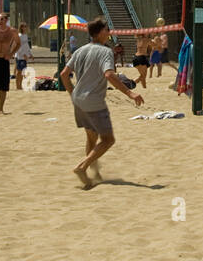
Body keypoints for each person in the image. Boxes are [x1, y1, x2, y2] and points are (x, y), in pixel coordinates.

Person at [59, 17, 144, 189]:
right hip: (94, 101)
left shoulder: (80, 50)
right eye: (106, 30)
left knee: (91, 137)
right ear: (98, 33)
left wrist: (72, 94)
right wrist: (130, 93)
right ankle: (82, 167)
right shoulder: (105, 52)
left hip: (78, 100)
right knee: (108, 139)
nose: (109, 32)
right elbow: (109, 75)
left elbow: (63, 74)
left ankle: (94, 171)